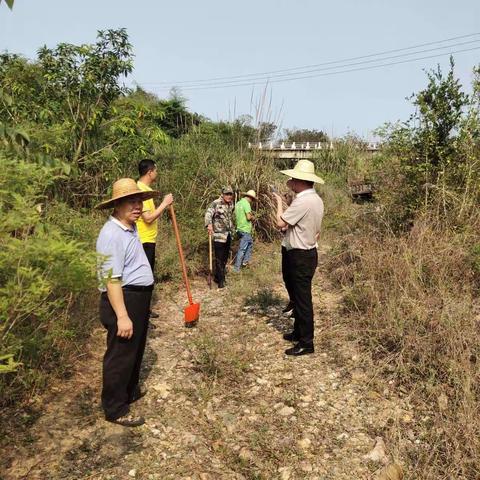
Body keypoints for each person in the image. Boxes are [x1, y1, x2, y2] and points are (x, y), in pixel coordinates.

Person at [96, 178, 158, 427]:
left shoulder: (129, 227)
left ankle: (129, 392)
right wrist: (122, 315)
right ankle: (115, 408)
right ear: (117, 205)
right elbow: (111, 279)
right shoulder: (111, 234)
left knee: (135, 348)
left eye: (139, 201)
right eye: (131, 202)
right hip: (124, 298)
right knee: (120, 353)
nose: (138, 206)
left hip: (138, 297)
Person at [272, 160, 324, 356]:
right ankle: (299, 332)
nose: (290, 180)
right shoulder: (316, 199)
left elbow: (279, 223)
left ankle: (306, 342)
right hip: (306, 252)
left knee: (302, 300)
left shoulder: (303, 200)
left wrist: (278, 203)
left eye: (293, 178)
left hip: (300, 255)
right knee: (298, 296)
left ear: (300, 180)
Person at [136, 159, 173, 319]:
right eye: (155, 170)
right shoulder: (140, 191)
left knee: (147, 277)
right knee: (143, 279)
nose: (157, 173)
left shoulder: (145, 189)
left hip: (149, 240)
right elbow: (148, 218)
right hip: (143, 241)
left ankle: (145, 310)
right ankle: (141, 314)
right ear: (150, 172)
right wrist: (164, 204)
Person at [204, 186, 235, 289]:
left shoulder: (231, 204)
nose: (229, 196)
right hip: (218, 235)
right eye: (227, 194)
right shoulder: (216, 203)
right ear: (223, 194)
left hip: (228, 234)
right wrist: (209, 224)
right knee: (219, 258)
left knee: (225, 258)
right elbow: (208, 214)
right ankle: (221, 282)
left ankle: (218, 276)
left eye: (230, 194)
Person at [233, 190, 256, 272]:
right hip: (245, 229)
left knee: (249, 244)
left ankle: (245, 262)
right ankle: (237, 268)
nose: (252, 201)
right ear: (250, 198)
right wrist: (253, 218)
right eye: (252, 199)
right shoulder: (246, 204)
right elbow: (248, 217)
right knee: (243, 249)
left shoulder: (238, 203)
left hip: (239, 228)